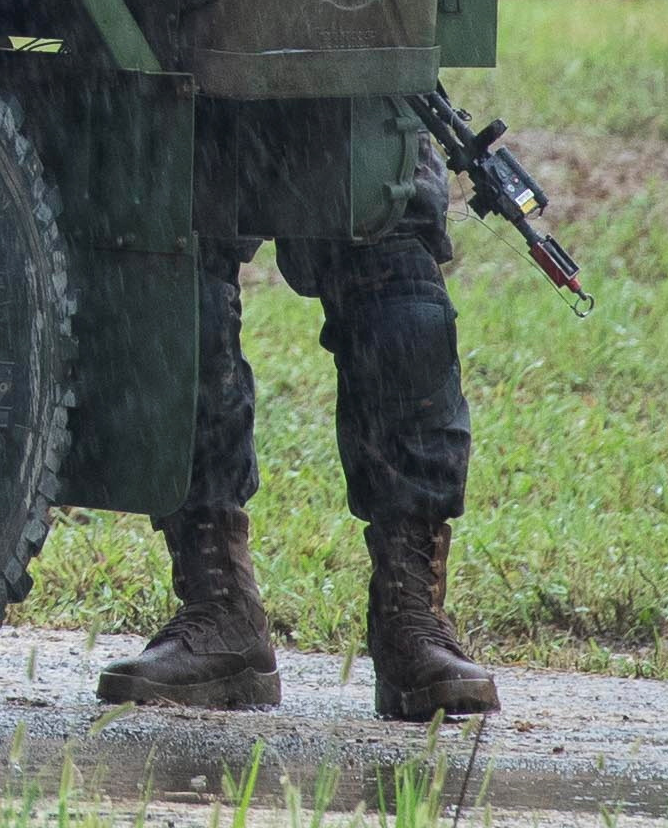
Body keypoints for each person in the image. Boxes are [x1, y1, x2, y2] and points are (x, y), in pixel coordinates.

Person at [96, 132, 497, 722]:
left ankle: (410, 612)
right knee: (174, 277)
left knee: (399, 286)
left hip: (350, 53)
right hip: (197, 62)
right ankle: (220, 605)